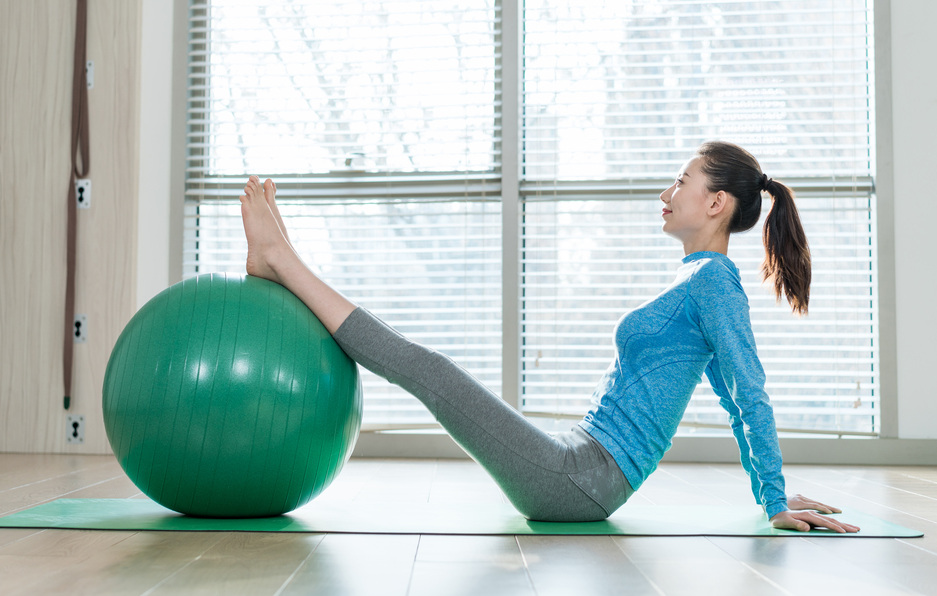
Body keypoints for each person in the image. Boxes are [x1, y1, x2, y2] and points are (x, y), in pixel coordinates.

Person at [239, 141, 860, 533]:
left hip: (581, 481)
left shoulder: (715, 284)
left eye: (682, 180)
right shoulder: (699, 277)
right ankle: (283, 258)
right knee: (434, 369)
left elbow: (747, 394)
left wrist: (774, 500)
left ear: (718, 201)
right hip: (577, 459)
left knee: (433, 371)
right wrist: (769, 491)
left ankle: (282, 262)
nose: (666, 193)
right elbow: (733, 397)